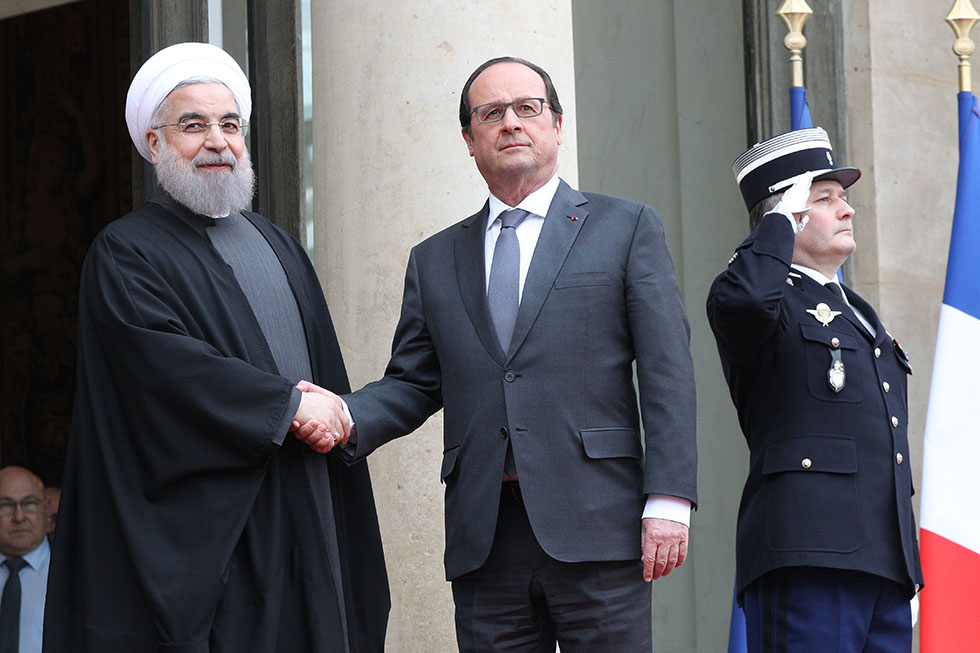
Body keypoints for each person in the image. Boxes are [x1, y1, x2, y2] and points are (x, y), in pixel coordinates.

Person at [297, 56, 697, 651]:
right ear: (469, 139)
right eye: (491, 113)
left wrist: (668, 501)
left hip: (598, 525)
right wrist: (347, 415)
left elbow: (668, 372)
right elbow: (413, 382)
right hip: (486, 536)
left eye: (527, 108)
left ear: (556, 126)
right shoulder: (434, 259)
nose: (510, 123)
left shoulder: (626, 228)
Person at [43, 42, 389, 653]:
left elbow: (322, 371)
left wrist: (330, 414)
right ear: (153, 144)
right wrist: (284, 408)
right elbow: (165, 372)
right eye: (193, 125)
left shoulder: (278, 243)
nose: (217, 141)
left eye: (230, 125)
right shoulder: (126, 251)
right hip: (225, 534)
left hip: (308, 502)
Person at [706, 127, 922, 651]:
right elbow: (747, 300)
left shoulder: (858, 313)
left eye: (843, 198)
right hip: (807, 557)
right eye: (824, 199)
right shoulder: (758, 294)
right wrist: (778, 218)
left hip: (882, 565)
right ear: (788, 215)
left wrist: (902, 565)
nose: (846, 210)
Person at [0, 466, 50, 653]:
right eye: (6, 506)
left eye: (29, 504)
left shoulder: (73, 575)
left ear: (45, 510)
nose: (19, 517)